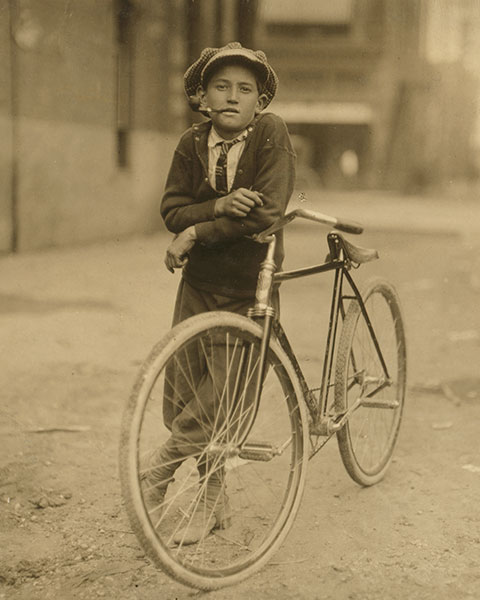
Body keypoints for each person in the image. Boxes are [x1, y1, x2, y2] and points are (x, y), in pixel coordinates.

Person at [143, 42, 296, 545]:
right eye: (221, 87)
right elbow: (171, 210)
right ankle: (217, 503)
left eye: (245, 89)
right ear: (203, 97)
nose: (232, 97)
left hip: (248, 284)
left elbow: (268, 211)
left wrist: (197, 231)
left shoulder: (270, 134)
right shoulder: (192, 144)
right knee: (184, 389)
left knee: (223, 395)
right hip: (198, 284)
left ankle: (160, 472)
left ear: (260, 100)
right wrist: (222, 206)